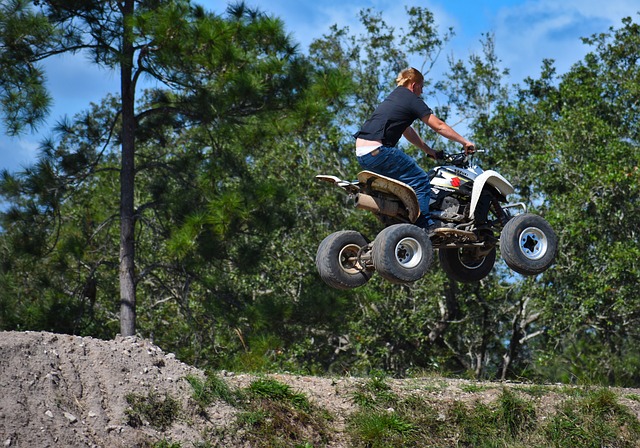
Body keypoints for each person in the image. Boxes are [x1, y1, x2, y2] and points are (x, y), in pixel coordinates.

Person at [354, 67, 475, 230]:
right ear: (414, 84)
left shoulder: (394, 97)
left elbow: (408, 131)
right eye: (421, 86)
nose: (422, 91)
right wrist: (464, 142)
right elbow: (439, 126)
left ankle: (403, 223)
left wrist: (428, 150)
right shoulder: (411, 98)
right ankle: (424, 226)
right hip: (378, 151)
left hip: (364, 154)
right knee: (420, 181)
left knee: (402, 188)